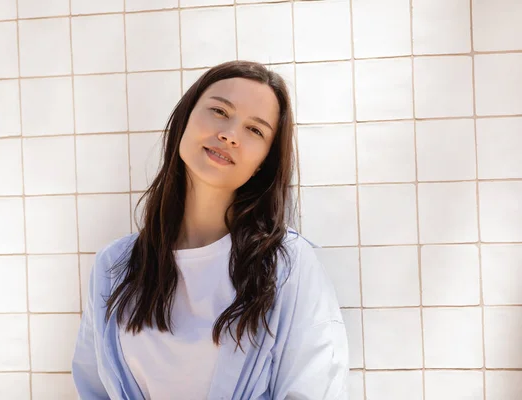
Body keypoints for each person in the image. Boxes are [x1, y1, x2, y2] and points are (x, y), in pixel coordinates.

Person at [71, 60, 349, 400]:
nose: (230, 135)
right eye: (219, 111)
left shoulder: (287, 265)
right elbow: (93, 388)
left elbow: (314, 388)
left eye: (255, 130)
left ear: (264, 160)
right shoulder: (115, 266)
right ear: (186, 117)